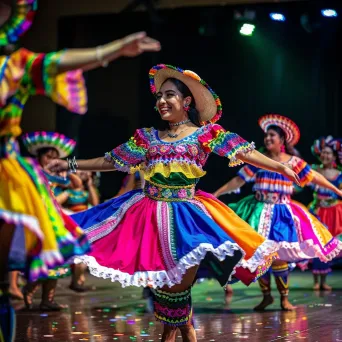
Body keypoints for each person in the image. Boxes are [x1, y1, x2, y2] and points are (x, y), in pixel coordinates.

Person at [48, 64, 302, 342]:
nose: (161, 101)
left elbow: (244, 150)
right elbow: (111, 161)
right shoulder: (147, 138)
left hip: (186, 217)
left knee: (178, 287)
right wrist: (70, 163)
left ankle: (183, 333)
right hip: (146, 214)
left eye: (169, 95)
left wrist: (280, 168)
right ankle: (182, 333)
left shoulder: (206, 134)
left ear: (187, 101)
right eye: (158, 97)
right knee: (164, 288)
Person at [0, 0, 160, 338]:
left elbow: (55, 62)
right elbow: (115, 161)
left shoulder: (15, 65)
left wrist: (113, 49)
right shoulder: (145, 140)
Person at [213, 114, 342, 312]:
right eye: (266, 136)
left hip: (282, 213)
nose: (267, 139)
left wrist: (336, 190)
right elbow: (238, 180)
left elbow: (314, 176)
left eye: (272, 135)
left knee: (279, 255)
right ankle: (266, 296)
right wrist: (217, 194)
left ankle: (284, 298)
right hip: (256, 211)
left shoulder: (294, 162)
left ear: (282, 140)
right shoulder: (258, 160)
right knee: (260, 256)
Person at [307, 136, 342, 290]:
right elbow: (300, 183)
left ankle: (324, 281)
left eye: (328, 153)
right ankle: (316, 281)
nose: (325, 155)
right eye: (323, 153)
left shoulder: (339, 174)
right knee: (316, 244)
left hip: (334, 213)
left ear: (334, 156)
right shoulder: (313, 170)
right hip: (317, 211)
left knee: (329, 245)